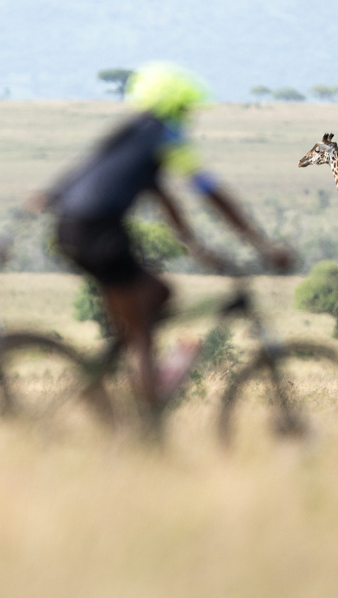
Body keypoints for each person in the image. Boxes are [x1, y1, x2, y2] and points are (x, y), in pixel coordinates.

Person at [36, 61, 293, 424]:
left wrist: (195, 246)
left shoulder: (131, 136)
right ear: (173, 106)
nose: (189, 117)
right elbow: (211, 193)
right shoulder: (162, 136)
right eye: (186, 109)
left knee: (157, 294)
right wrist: (262, 245)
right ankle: (148, 422)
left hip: (72, 228)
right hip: (99, 231)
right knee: (142, 329)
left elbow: (163, 197)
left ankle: (106, 378)